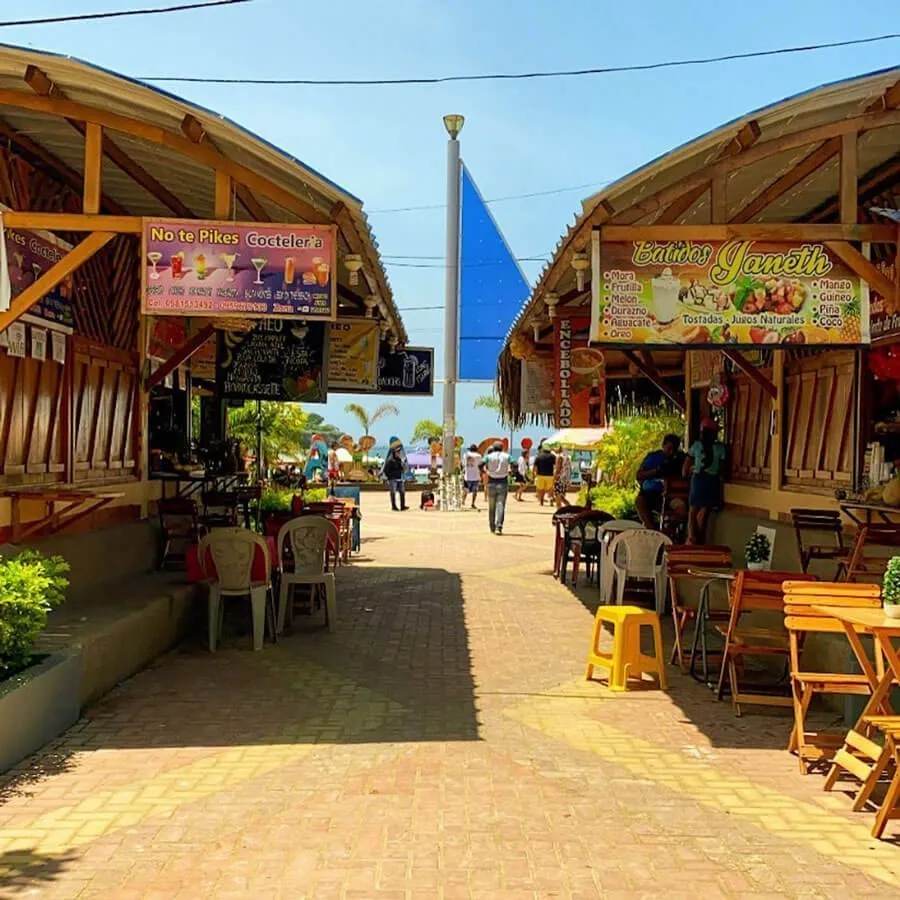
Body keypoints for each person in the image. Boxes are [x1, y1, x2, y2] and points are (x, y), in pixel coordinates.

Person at [684, 417, 727, 544]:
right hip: (711, 481)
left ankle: (691, 538)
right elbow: (722, 468)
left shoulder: (696, 445)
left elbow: (687, 464)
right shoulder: (720, 448)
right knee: (703, 510)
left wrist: (685, 473)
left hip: (698, 479)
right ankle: (699, 538)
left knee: (692, 510)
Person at [635, 434, 685, 529]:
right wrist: (656, 471)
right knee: (640, 501)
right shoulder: (653, 457)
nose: (671, 452)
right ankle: (651, 530)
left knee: (680, 509)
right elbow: (639, 475)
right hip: (651, 493)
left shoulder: (679, 460)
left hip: (670, 495)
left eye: (674, 449)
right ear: (663, 445)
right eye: (669, 448)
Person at [479, 441, 511, 534]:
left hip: (491, 482)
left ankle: (492, 526)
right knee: (500, 504)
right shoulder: (507, 456)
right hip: (503, 482)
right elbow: (514, 463)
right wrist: (512, 471)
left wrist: (484, 471)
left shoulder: (488, 456)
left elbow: (480, 464)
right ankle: (499, 526)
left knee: (491, 506)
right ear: (502, 448)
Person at [381, 442, 408, 511]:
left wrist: (403, 466)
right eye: (397, 452)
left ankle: (402, 506)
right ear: (394, 453)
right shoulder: (390, 460)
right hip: (392, 479)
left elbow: (402, 469)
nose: (399, 453)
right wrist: (389, 477)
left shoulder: (399, 460)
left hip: (399, 478)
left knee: (402, 492)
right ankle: (394, 506)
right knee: (393, 493)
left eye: (399, 452)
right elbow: (386, 470)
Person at [533, 441, 556, 506]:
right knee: (550, 488)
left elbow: (535, 467)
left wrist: (533, 474)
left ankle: (541, 501)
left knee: (541, 489)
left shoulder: (539, 456)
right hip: (550, 475)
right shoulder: (553, 456)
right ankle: (551, 499)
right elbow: (555, 466)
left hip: (540, 475)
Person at [463, 443, 482, 511]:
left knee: (465, 490)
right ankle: (473, 503)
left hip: (467, 476)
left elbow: (463, 463)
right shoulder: (479, 456)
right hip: (476, 475)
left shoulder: (466, 455)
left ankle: (463, 501)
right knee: (475, 491)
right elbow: (480, 465)